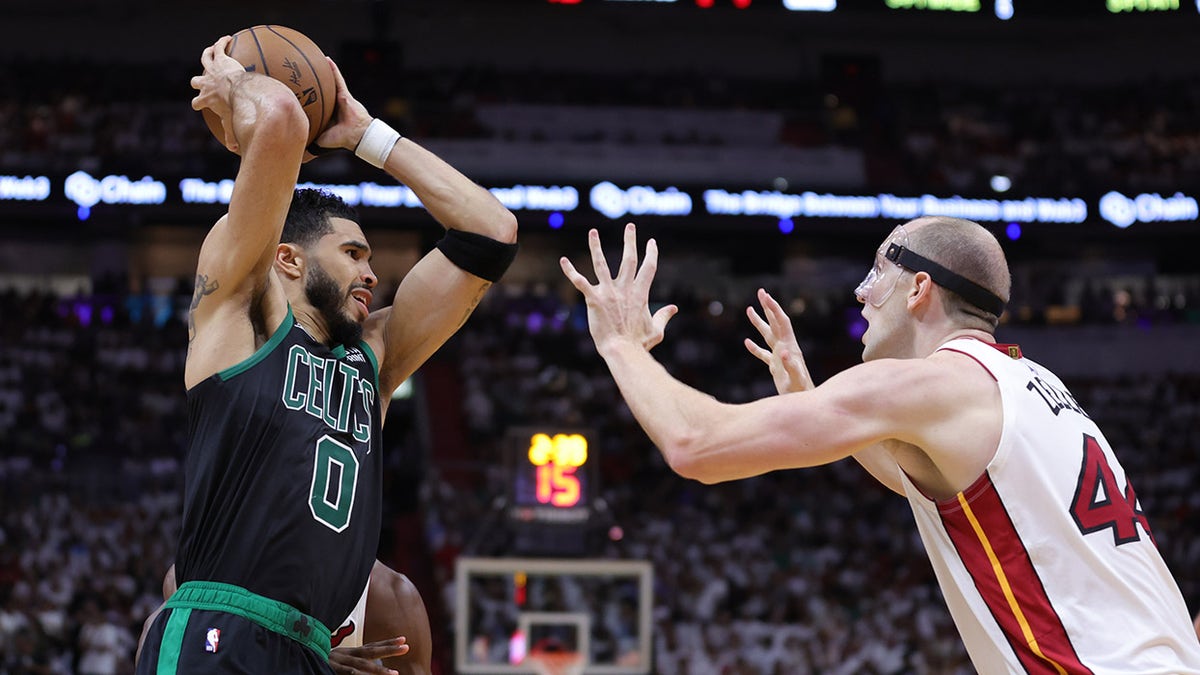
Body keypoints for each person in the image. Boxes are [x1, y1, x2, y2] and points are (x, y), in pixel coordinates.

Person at [560, 218, 1200, 672]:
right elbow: (924, 488)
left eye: (877, 270)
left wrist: (620, 344)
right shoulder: (1032, 384)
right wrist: (804, 395)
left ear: (921, 288)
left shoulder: (927, 384)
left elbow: (694, 445)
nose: (862, 292)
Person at [136, 34, 517, 675]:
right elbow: (283, 119)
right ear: (288, 258)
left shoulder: (375, 358)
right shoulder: (242, 315)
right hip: (218, 634)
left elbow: (491, 232)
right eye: (353, 255)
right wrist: (237, 87)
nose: (372, 274)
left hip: (311, 647)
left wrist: (368, 136)